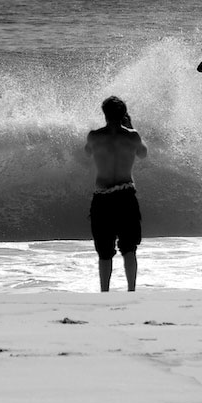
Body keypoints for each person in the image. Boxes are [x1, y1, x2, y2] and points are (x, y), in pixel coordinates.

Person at [85, 96, 148, 292]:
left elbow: (86, 153)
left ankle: (105, 291)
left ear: (104, 114)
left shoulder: (94, 136)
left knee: (104, 251)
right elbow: (143, 153)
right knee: (129, 248)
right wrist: (130, 126)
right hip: (125, 195)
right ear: (123, 115)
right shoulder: (132, 136)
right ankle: (131, 290)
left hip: (102, 197)